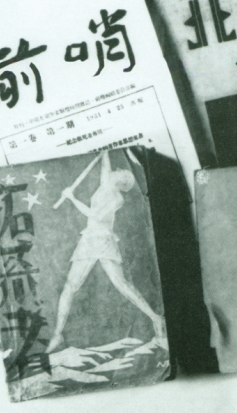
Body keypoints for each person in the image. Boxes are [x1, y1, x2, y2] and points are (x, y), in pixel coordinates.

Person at [46, 151, 165, 353]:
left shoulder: (117, 198)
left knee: (121, 284)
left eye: (121, 171)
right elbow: (105, 166)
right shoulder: (105, 185)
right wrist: (105, 152)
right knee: (71, 285)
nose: (116, 170)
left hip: (101, 239)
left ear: (122, 181)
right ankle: (57, 335)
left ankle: (156, 318)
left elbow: (95, 215)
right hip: (90, 238)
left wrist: (72, 198)